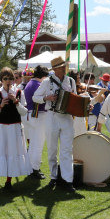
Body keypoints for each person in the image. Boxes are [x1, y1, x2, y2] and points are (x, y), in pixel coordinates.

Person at [33, 56, 77, 193]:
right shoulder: (47, 81)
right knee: (52, 149)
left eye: (65, 66)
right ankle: (53, 176)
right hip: (52, 116)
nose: (64, 68)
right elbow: (35, 97)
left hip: (67, 117)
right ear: (55, 69)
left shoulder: (71, 81)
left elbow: (75, 97)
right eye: (61, 67)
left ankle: (68, 180)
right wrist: (47, 97)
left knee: (67, 150)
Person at [0, 67, 30, 191]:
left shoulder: (19, 93)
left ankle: (8, 181)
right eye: (5, 78)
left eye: (11, 78)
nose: (8, 81)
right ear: (1, 79)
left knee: (12, 152)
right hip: (1, 127)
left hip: (15, 127)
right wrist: (0, 106)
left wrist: (16, 101)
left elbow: (24, 111)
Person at [22, 66, 48, 180]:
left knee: (33, 144)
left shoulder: (30, 83)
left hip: (31, 115)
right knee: (38, 144)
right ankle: (35, 169)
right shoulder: (38, 85)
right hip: (38, 115)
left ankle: (30, 167)